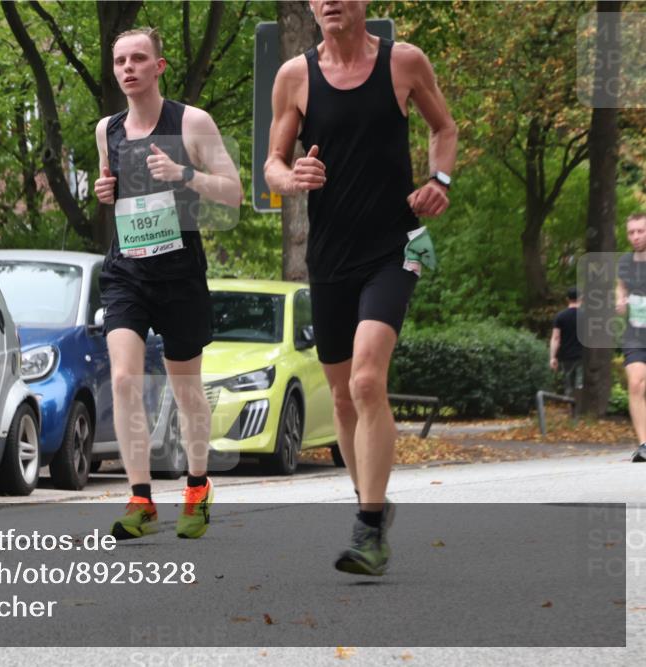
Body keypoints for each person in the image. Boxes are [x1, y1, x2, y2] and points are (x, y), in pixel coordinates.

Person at [264, 0, 457, 575]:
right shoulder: (295, 76)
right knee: (343, 396)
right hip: (328, 256)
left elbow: (443, 128)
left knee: (370, 379)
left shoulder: (404, 63)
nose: (328, 3)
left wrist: (438, 179)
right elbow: (272, 163)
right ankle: (370, 504)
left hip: (393, 248)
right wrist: (291, 177)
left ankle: (368, 528)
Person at [92, 27, 243, 538]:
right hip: (126, 272)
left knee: (186, 389)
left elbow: (233, 193)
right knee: (123, 379)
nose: (128, 68)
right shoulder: (106, 129)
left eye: (138, 58)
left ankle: (197, 486)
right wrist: (104, 191)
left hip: (179, 272)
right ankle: (141, 500)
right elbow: (111, 195)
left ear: (159, 66)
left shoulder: (191, 121)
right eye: (119, 60)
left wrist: (184, 175)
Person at [615, 212, 646, 463]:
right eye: (631, 232)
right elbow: (621, 285)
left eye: (640, 231)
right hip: (635, 332)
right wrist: (620, 299)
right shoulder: (625, 262)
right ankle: (644, 445)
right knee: (635, 383)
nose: (635, 236)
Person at [550, 287, 584, 397]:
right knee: (580, 384)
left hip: (565, 355)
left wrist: (553, 357)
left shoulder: (560, 316)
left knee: (568, 384)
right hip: (582, 355)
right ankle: (579, 408)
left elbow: (556, 338)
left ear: (567, 299)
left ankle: (570, 409)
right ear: (581, 298)